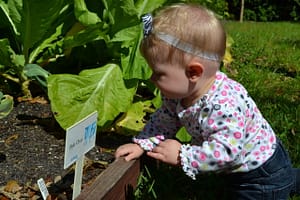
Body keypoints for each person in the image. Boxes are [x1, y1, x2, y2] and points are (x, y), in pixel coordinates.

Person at [115, 3, 300, 199]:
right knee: (289, 178)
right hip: (242, 168)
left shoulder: (223, 105)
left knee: (278, 183)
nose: (151, 79)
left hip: (260, 175)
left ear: (193, 72)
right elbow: (164, 120)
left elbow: (226, 152)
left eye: (159, 73)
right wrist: (142, 144)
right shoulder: (179, 94)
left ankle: (284, 181)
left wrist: (182, 156)